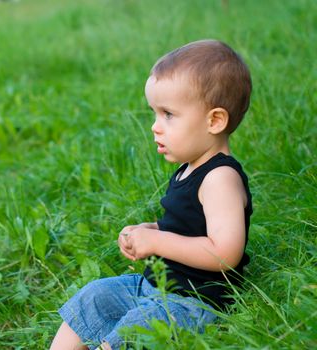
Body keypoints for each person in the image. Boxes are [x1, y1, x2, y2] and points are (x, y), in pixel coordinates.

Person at [50, 39, 253, 350]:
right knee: (95, 297)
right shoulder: (189, 168)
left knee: (136, 329)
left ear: (214, 120)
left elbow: (225, 253)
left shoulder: (220, 178)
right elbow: (184, 228)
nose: (155, 127)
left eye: (168, 115)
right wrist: (149, 231)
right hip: (153, 288)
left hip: (193, 303)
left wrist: (158, 242)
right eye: (155, 114)